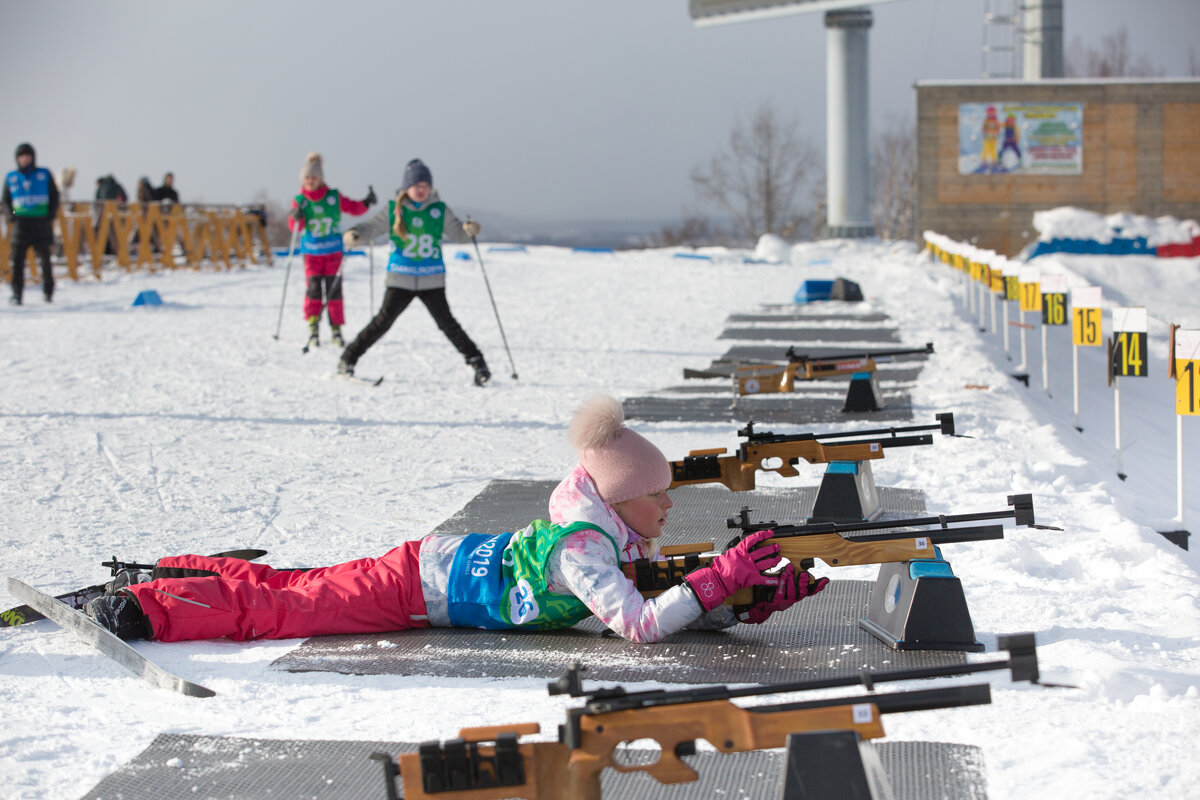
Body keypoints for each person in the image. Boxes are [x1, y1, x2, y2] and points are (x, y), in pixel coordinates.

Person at [83, 394, 828, 642]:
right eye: (658, 492)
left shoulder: (604, 532)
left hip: (428, 569)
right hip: (416, 588)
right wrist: (713, 581)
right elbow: (634, 624)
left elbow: (638, 602)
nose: (669, 503)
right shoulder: (583, 550)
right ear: (620, 496)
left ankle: (178, 571)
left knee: (296, 585)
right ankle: (146, 608)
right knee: (288, 606)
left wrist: (738, 604)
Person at [337, 158, 490, 386]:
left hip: (431, 278)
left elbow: (459, 235)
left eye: (425, 186)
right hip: (401, 276)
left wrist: (470, 230)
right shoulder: (394, 209)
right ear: (407, 187)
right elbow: (370, 228)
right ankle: (348, 359)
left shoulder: (439, 210)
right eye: (417, 186)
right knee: (383, 321)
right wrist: (355, 233)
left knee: (447, 323)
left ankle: (478, 362)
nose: (421, 190)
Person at [287, 153, 375, 349]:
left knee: (334, 291)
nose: (310, 181)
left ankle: (336, 328)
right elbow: (295, 227)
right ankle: (313, 325)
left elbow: (352, 207)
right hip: (312, 253)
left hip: (333, 251)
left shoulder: (333, 197)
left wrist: (366, 203)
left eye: (314, 178)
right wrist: (295, 217)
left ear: (320, 179)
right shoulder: (300, 200)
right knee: (313, 290)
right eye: (307, 178)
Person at [2, 143, 59, 304]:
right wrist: (12, 216)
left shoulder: (44, 174)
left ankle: (48, 292)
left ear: (33, 157)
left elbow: (55, 196)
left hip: (41, 223)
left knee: (45, 260)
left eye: (28, 156)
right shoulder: (11, 177)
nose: (25, 159)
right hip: (21, 224)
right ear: (17, 158)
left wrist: (50, 215)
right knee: (18, 262)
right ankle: (17, 294)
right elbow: (6, 201)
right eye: (22, 156)